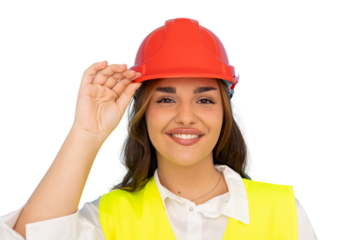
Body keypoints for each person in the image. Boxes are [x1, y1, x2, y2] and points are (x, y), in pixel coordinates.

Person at [0, 15, 318, 239]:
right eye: (166, 100)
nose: (185, 116)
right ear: (143, 110)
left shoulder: (284, 209)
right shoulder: (109, 217)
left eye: (204, 100)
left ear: (225, 111)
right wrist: (86, 132)